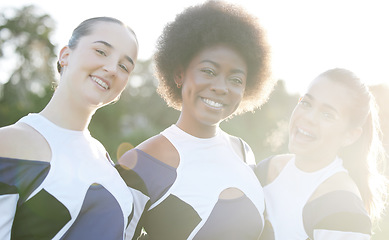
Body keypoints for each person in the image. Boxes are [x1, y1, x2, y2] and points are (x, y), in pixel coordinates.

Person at [116, 1, 275, 239]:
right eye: (209, 71)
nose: (221, 87)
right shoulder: (141, 163)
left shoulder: (243, 152)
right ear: (180, 73)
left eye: (235, 80)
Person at [0, 17, 138, 239]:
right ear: (65, 55)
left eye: (124, 66)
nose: (112, 69)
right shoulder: (7, 144)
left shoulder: (107, 161)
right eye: (101, 51)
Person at [256, 68, 388, 239]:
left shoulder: (343, 208)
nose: (309, 117)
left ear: (350, 136)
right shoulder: (267, 168)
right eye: (306, 103)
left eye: (327, 115)